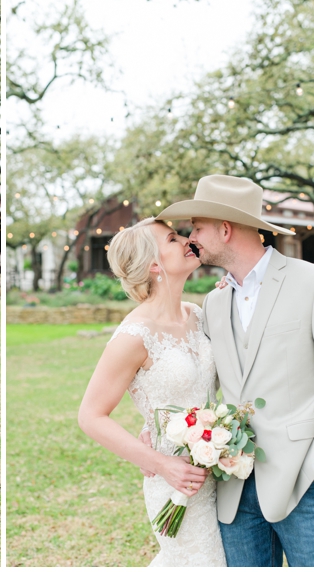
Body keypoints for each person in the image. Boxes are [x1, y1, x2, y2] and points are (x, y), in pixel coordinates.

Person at [152, 174, 314, 566]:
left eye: (197, 228)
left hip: (307, 484)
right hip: (234, 490)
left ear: (224, 229)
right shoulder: (215, 302)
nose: (191, 238)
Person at [78, 217, 226, 566]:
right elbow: (90, 416)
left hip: (220, 468)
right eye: (173, 239)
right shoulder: (133, 336)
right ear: (155, 265)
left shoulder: (199, 314)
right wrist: (160, 463)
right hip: (176, 483)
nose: (187, 240)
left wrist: (230, 293)